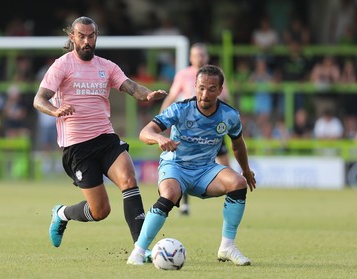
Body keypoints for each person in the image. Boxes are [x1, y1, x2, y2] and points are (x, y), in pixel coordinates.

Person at [33, 17, 167, 252]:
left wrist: (147, 95)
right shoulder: (62, 65)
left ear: (96, 37)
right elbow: (39, 99)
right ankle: (62, 213)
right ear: (72, 37)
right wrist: (55, 110)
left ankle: (141, 248)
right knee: (100, 211)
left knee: (129, 180)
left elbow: (132, 87)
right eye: (81, 36)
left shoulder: (107, 66)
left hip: (105, 138)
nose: (87, 41)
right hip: (77, 147)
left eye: (91, 36)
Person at [127, 65, 256, 266]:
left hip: (205, 169)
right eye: (201, 87)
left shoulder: (229, 115)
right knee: (169, 194)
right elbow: (145, 132)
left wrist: (246, 170)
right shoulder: (180, 109)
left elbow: (238, 143)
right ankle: (138, 251)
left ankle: (227, 247)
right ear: (195, 86)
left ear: (220, 90)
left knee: (237, 183)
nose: (205, 94)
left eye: (212, 89)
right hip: (175, 166)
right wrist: (158, 139)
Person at [159, 42, 231, 215]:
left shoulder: (216, 75)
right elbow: (173, 96)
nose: (199, 58)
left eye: (202, 54)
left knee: (224, 160)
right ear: (190, 57)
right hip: (188, 128)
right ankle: (184, 204)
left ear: (207, 57)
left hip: (211, 127)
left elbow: (226, 97)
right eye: (196, 55)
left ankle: (231, 194)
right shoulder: (183, 75)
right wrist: (162, 118)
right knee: (184, 162)